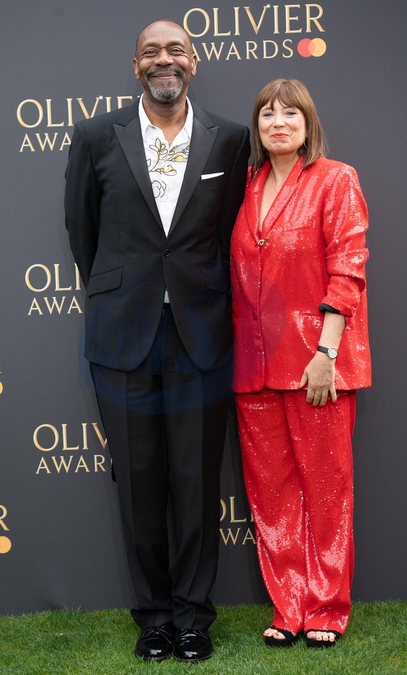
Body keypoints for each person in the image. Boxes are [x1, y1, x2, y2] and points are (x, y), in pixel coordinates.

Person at [64, 19, 250, 662]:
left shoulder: (231, 138)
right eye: (151, 52)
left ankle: (193, 617)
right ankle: (153, 618)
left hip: (201, 334)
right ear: (136, 65)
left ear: (194, 63)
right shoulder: (96, 135)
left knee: (196, 483)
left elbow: (229, 236)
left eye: (175, 50)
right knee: (139, 483)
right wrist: (122, 293)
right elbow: (82, 232)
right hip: (122, 335)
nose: (163, 60)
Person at [230, 79, 371, 649]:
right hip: (254, 368)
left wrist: (326, 354)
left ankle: (328, 609)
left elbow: (348, 269)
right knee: (272, 495)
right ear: (258, 127)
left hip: (317, 365)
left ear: (308, 124)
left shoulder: (336, 179)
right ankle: (289, 605)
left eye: (290, 113)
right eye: (267, 114)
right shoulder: (245, 185)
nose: (278, 122)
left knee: (327, 491)